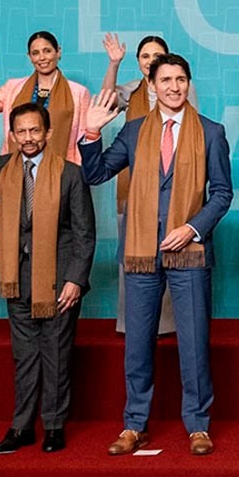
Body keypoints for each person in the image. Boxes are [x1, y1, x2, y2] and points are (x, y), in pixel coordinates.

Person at [79, 54, 233, 457]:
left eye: (181, 79)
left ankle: (198, 425)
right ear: (152, 85)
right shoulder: (132, 131)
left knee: (194, 342)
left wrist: (192, 228)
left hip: (190, 252)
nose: (174, 87)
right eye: (166, 80)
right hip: (141, 252)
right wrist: (91, 133)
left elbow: (222, 193)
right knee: (138, 343)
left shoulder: (211, 132)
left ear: (188, 83)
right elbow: (96, 174)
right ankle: (134, 424)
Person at [0, 103, 96, 454]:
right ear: (12, 135)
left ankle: (54, 426)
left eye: (34, 130)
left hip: (58, 279)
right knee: (24, 356)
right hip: (14, 276)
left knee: (56, 354)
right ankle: (22, 427)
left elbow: (84, 233)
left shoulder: (70, 174)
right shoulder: (3, 168)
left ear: (48, 133)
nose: (28, 138)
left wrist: (75, 279)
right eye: (21, 132)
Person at [101, 33, 178, 337]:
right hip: (133, 187)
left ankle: (167, 324)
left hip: (171, 186)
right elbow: (105, 101)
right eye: (145, 56)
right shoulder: (131, 90)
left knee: (170, 255)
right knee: (131, 257)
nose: (151, 61)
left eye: (156, 55)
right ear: (138, 62)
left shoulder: (180, 88)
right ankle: (130, 322)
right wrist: (113, 64)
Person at [0, 32, 94, 160]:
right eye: (35, 53)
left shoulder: (78, 92)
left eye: (47, 51)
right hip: (14, 167)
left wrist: (77, 171)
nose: (42, 58)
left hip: (61, 168)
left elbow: (83, 138)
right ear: (29, 57)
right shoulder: (13, 88)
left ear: (58, 52)